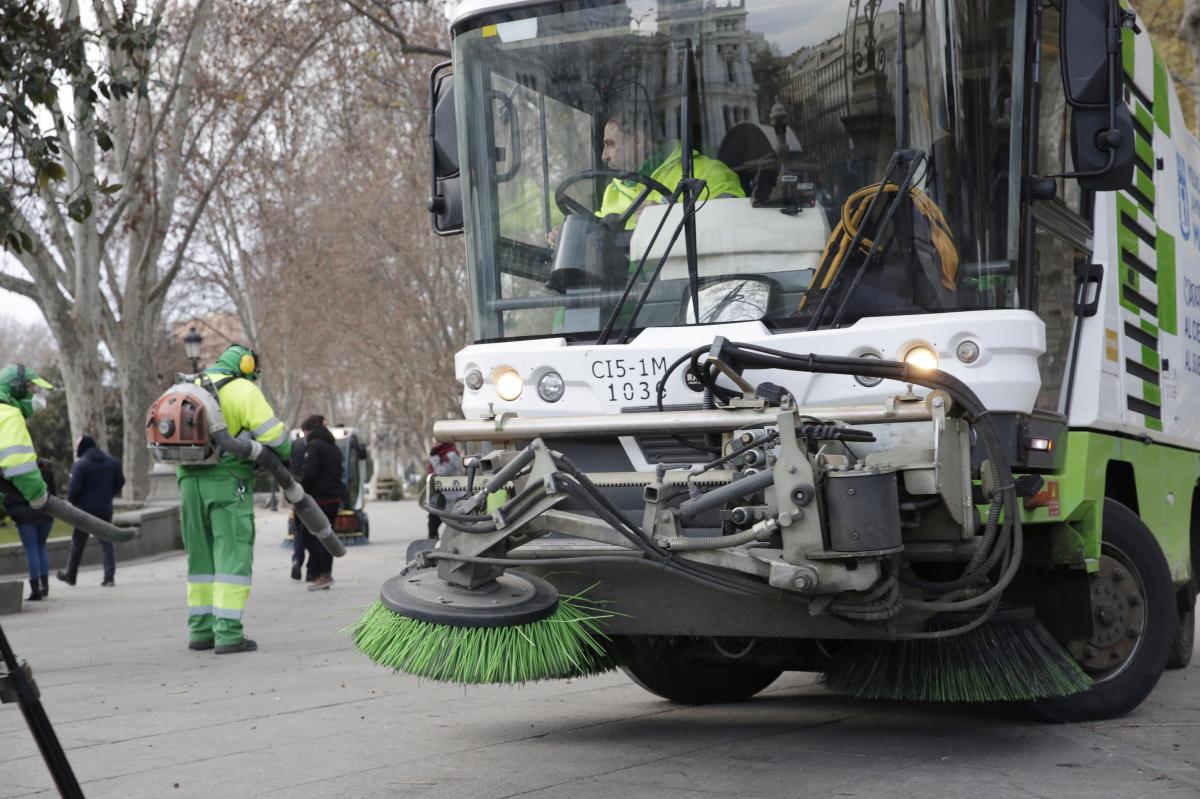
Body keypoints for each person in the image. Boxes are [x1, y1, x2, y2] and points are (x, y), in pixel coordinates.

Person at [178, 345, 290, 654]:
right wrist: (288, 455)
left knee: (199, 561)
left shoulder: (190, 386)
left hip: (187, 481)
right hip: (227, 481)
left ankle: (200, 631)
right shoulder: (243, 390)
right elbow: (276, 439)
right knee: (232, 556)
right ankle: (228, 634)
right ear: (247, 365)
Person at [597, 111, 744, 223]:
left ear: (637, 141)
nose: (604, 156)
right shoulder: (612, 191)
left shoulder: (707, 172)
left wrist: (672, 216)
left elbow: (732, 218)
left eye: (610, 144)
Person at [0, 364, 56, 600]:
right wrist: (38, 495)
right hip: (34, 513)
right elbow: (19, 465)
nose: (35, 396)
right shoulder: (8, 415)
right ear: (16, 388)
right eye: (31, 389)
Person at [57, 435, 125, 587]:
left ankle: (71, 575)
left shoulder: (81, 465)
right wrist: (108, 495)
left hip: (84, 510)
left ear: (82, 447)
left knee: (78, 542)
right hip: (104, 508)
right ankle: (109, 577)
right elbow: (121, 481)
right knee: (106, 541)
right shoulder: (111, 462)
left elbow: (73, 490)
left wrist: (75, 502)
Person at [298, 415, 344, 591]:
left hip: (318, 500)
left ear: (308, 430)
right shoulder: (333, 447)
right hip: (334, 498)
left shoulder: (314, 446)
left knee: (309, 536)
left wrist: (300, 491)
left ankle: (322, 574)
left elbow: (310, 473)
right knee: (327, 536)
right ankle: (326, 574)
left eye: (304, 433)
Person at [10, 460, 56, 601]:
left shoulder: (17, 471)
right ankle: (45, 586)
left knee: (32, 550)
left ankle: (35, 589)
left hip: (26, 517)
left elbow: (10, 496)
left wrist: (14, 514)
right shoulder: (45, 470)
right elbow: (53, 493)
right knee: (41, 548)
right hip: (46, 515)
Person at [287, 425, 310, 581]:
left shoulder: (295, 445)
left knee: (299, 532)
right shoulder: (315, 445)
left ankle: (297, 560)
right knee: (315, 535)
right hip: (315, 497)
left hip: (297, 495)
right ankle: (312, 569)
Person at [426, 442, 461, 540]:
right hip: (439, 498)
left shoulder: (452, 454)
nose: (435, 443)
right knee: (432, 525)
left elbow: (441, 472)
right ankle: (432, 544)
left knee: (455, 527)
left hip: (452, 498)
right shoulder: (440, 454)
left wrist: (434, 458)